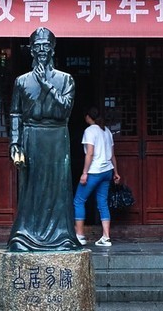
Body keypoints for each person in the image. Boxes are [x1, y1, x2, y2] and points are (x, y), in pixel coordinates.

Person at [7, 28, 79, 252]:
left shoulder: (65, 79)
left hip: (57, 136)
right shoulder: (22, 81)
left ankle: (61, 237)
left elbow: (66, 107)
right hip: (31, 136)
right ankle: (25, 235)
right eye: (36, 46)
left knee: (58, 187)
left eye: (45, 46)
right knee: (31, 188)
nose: (41, 50)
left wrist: (46, 84)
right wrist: (15, 142)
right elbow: (15, 113)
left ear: (52, 48)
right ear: (31, 50)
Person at [73, 107, 120, 246]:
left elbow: (90, 153)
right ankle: (106, 237)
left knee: (79, 200)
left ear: (88, 117)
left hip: (95, 171)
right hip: (107, 171)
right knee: (102, 203)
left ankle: (80, 235)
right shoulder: (106, 131)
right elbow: (112, 155)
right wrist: (116, 172)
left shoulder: (89, 131)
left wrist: (84, 172)